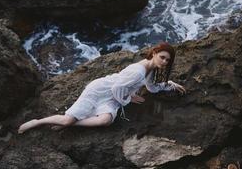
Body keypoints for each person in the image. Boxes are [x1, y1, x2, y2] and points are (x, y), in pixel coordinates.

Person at [18, 42, 186, 134]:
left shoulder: (151, 70)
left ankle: (73, 124)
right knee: (66, 119)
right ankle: (38, 122)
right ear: (154, 53)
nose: (164, 62)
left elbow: (152, 88)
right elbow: (116, 89)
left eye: (167, 61)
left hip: (113, 98)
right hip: (101, 90)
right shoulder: (138, 72)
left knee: (105, 121)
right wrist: (129, 98)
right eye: (162, 57)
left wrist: (168, 84)